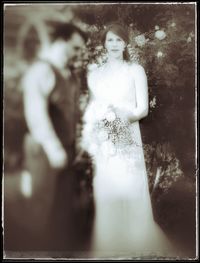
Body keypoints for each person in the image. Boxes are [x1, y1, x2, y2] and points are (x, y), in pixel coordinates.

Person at [81, 23, 174, 258]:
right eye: (110, 40)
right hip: (104, 140)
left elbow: (142, 109)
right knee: (107, 186)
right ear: (104, 43)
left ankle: (136, 240)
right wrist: (98, 125)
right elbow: (92, 108)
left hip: (127, 137)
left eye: (118, 40)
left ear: (126, 43)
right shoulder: (95, 74)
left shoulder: (135, 70)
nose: (114, 44)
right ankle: (108, 242)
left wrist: (121, 119)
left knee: (130, 185)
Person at [21, 21, 88, 250]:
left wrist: (75, 145)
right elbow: (36, 114)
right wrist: (54, 149)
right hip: (44, 151)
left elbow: (72, 114)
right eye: (76, 48)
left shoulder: (69, 73)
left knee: (61, 212)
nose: (79, 54)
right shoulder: (41, 70)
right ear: (61, 42)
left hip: (66, 150)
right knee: (41, 214)